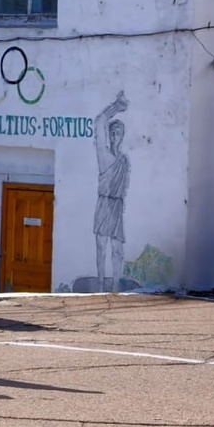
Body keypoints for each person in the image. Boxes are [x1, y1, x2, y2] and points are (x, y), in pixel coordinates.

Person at [94, 92, 130, 292]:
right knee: (101, 246)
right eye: (113, 132)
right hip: (104, 203)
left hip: (116, 205)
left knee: (117, 248)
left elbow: (124, 187)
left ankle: (115, 286)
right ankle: (100, 285)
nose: (115, 136)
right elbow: (100, 120)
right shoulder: (103, 155)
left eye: (118, 133)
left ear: (122, 136)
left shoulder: (124, 160)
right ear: (109, 135)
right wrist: (116, 106)